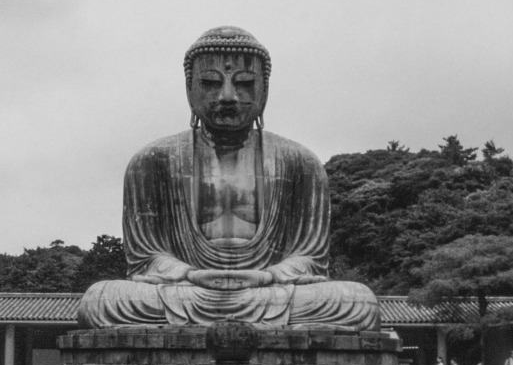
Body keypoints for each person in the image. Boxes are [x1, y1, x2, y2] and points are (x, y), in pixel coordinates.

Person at [78, 26, 379, 330]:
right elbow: (146, 257)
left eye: (245, 84)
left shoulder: (300, 162)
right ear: (189, 89)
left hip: (270, 290)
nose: (227, 97)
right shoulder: (153, 160)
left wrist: (269, 276)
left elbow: (310, 257)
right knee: (100, 300)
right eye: (210, 83)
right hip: (187, 289)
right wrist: (190, 274)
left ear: (264, 90)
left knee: (357, 301)